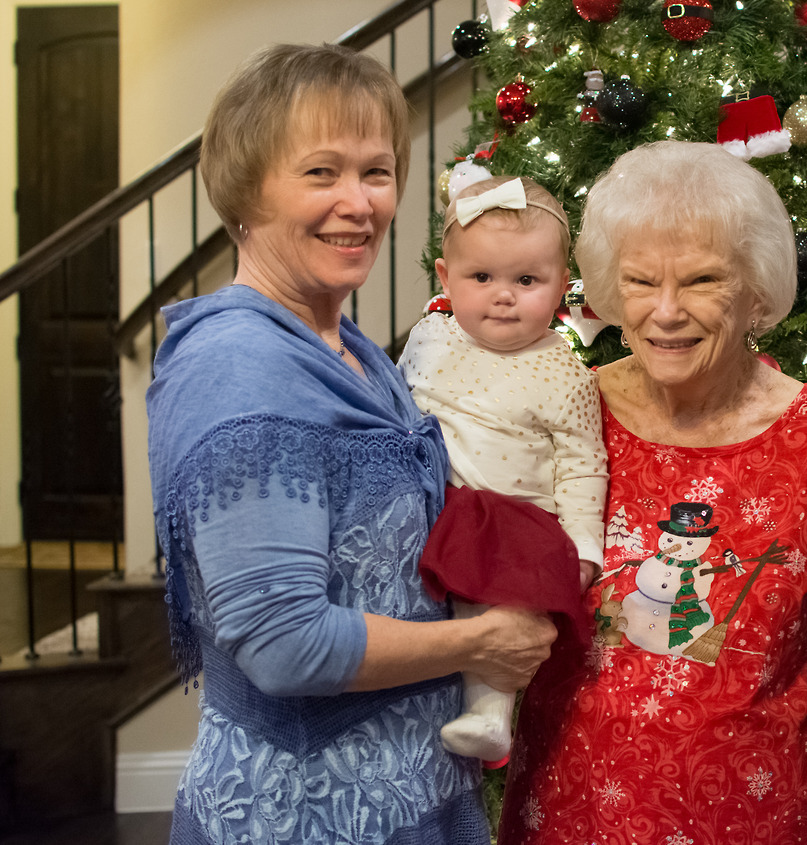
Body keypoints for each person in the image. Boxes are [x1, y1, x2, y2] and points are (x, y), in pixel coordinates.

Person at [146, 43, 556, 845]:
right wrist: (481, 642)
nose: (359, 203)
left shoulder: (351, 348)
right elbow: (284, 644)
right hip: (304, 817)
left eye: (377, 172)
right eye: (321, 173)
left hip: (415, 794)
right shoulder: (241, 365)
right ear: (246, 189)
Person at [496, 140, 807, 844]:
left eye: (702, 280)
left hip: (756, 822)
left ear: (756, 289)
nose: (665, 312)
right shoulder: (567, 413)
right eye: (640, 282)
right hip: (570, 816)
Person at [398, 175, 607, 765]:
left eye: (527, 281)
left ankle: (490, 713)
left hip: (515, 520)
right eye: (482, 277)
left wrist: (583, 547)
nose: (503, 296)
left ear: (562, 287)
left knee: (507, 606)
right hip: (429, 501)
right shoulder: (429, 337)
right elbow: (395, 405)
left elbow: (583, 464)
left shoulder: (565, 373)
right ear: (445, 279)